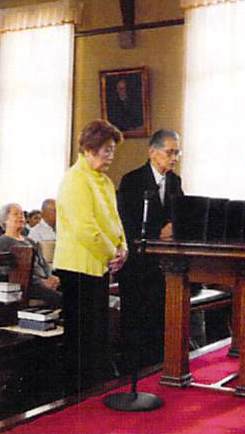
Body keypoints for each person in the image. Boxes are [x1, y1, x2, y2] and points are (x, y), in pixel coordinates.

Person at [53, 119, 128, 392]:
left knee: (97, 332)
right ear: (89, 149)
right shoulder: (75, 180)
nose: (111, 155)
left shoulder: (104, 181)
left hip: (99, 264)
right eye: (107, 149)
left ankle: (93, 389)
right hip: (78, 267)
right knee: (82, 334)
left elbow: (115, 220)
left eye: (112, 150)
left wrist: (123, 248)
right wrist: (112, 254)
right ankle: (77, 394)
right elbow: (85, 228)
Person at [117, 129, 183, 369]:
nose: (174, 158)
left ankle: (157, 369)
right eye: (170, 152)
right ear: (153, 152)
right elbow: (127, 223)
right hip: (137, 265)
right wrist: (157, 233)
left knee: (159, 321)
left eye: (177, 153)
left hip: (164, 265)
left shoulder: (175, 181)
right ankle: (133, 370)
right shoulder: (132, 180)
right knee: (136, 323)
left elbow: (181, 213)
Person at [0, 203, 62, 307]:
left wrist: (51, 277)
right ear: (5, 220)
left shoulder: (30, 241)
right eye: (16, 214)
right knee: (62, 298)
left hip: (44, 281)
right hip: (27, 285)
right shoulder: (3, 242)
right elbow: (7, 272)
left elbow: (43, 263)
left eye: (22, 214)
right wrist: (41, 282)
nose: (21, 217)